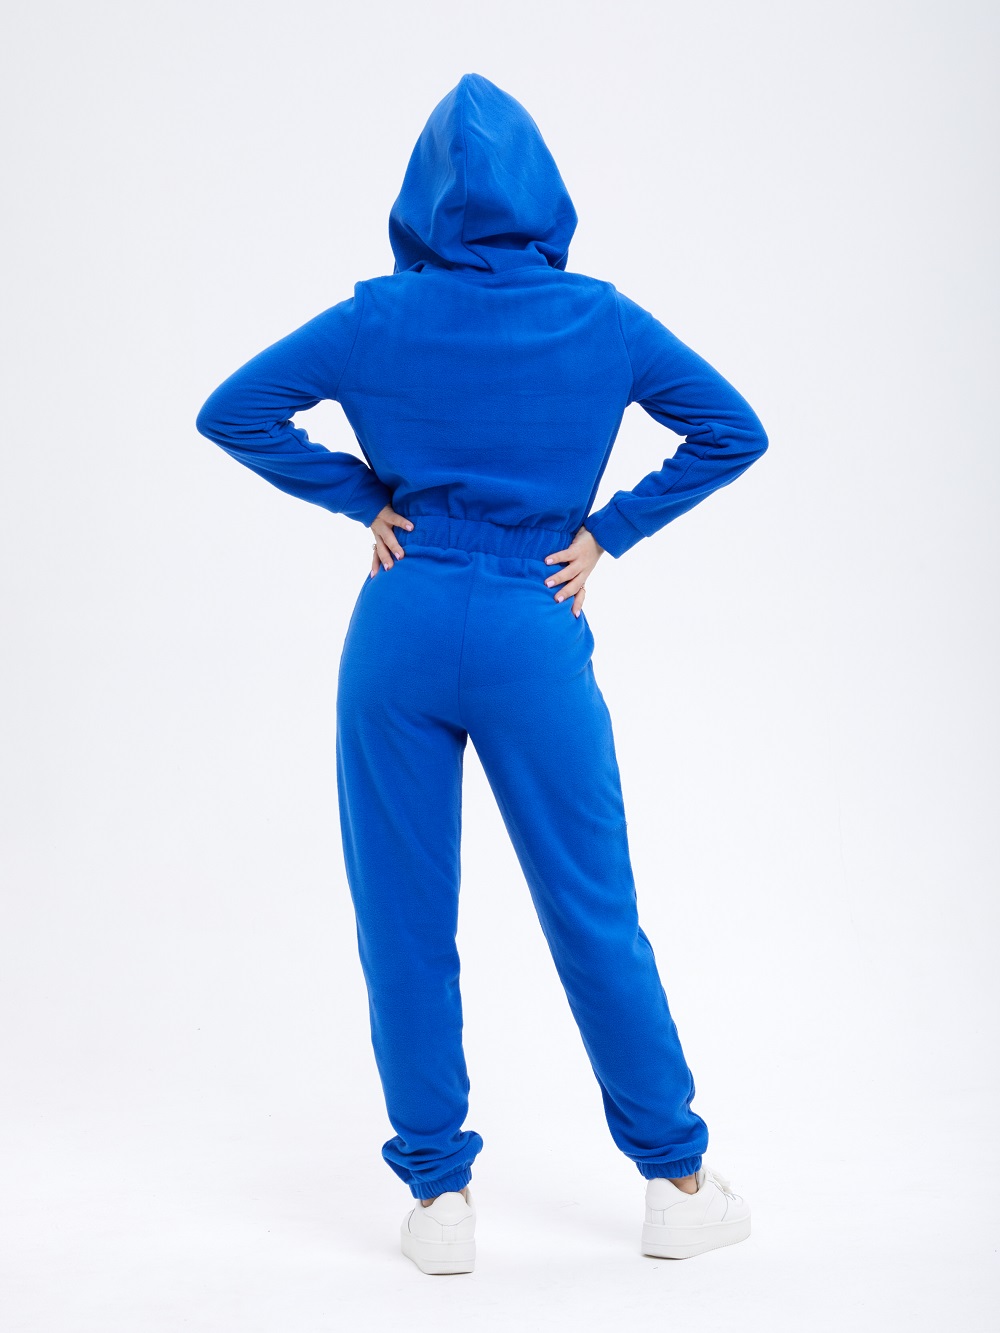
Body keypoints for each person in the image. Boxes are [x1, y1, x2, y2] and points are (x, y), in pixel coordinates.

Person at [195, 71, 768, 1276]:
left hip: (400, 622)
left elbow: (234, 411)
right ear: (547, 194)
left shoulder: (375, 317)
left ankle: (439, 1200)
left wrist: (366, 498)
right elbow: (731, 430)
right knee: (592, 909)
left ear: (419, 198)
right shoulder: (602, 318)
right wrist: (607, 532)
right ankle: (675, 1179)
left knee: (403, 920)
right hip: (532, 620)